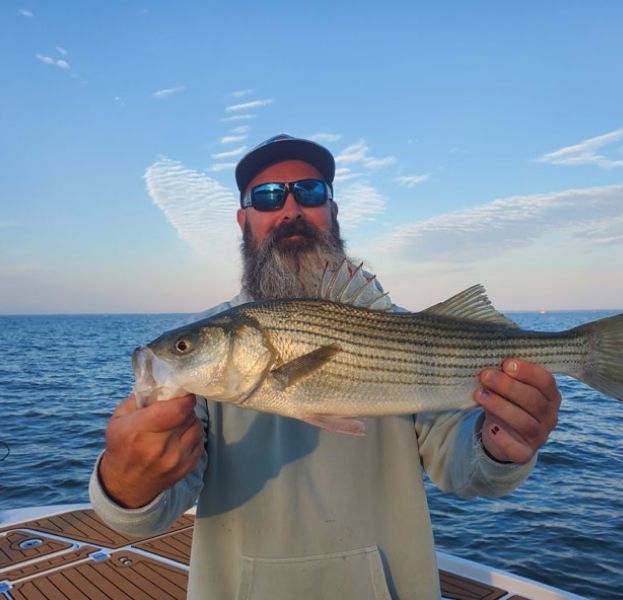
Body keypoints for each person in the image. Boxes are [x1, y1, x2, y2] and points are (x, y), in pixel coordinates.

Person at [90, 134, 561, 599]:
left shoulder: (403, 333)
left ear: (332, 212)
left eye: (310, 192)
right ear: (243, 220)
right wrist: (126, 482)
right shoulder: (205, 368)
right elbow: (157, 508)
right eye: (268, 196)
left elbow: (464, 468)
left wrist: (501, 444)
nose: (290, 209)